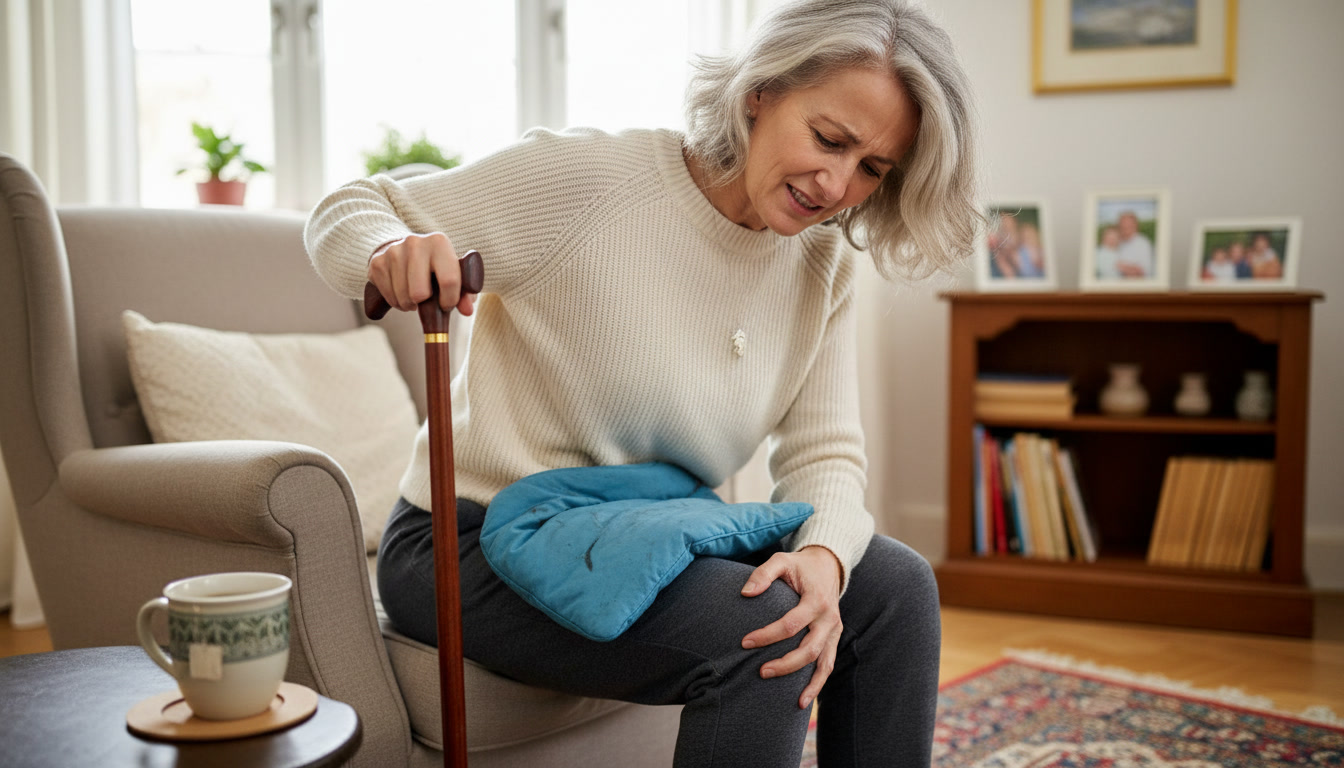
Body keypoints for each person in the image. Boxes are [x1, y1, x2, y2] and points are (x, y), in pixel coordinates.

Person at [305, 1, 979, 765]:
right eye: (829, 139)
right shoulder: (591, 181)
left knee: (895, 588)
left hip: (645, 537)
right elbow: (349, 210)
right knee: (765, 633)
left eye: (872, 169)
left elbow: (825, 455)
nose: (835, 182)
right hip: (471, 541)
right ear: (759, 92)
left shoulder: (823, 265)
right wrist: (387, 246)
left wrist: (823, 559)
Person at [1113, 210, 1154, 278]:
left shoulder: (1143, 244)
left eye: (1128, 224)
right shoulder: (1118, 242)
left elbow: (1143, 272)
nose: (1125, 227)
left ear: (1135, 225)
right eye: (1122, 224)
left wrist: (1123, 267)